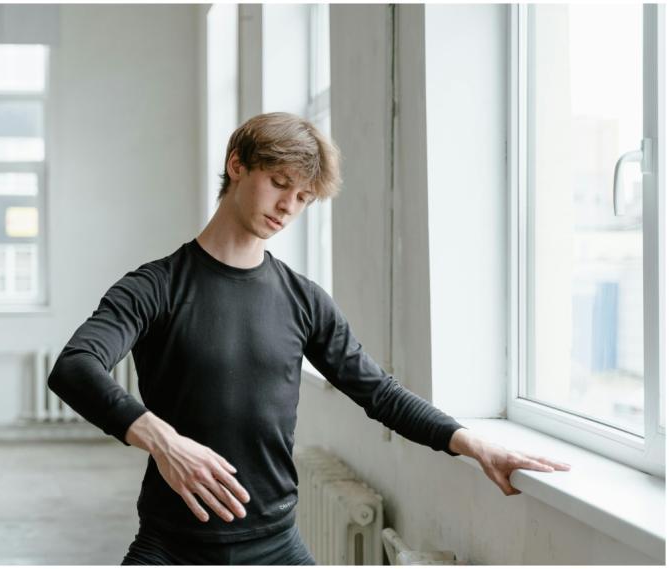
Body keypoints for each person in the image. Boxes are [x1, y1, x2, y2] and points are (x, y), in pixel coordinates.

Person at [47, 112, 571, 565]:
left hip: (277, 544)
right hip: (173, 543)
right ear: (237, 165)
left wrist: (471, 443)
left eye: (303, 198)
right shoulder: (156, 285)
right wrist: (163, 441)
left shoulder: (303, 298)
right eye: (279, 183)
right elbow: (75, 366)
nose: (288, 207)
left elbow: (378, 392)